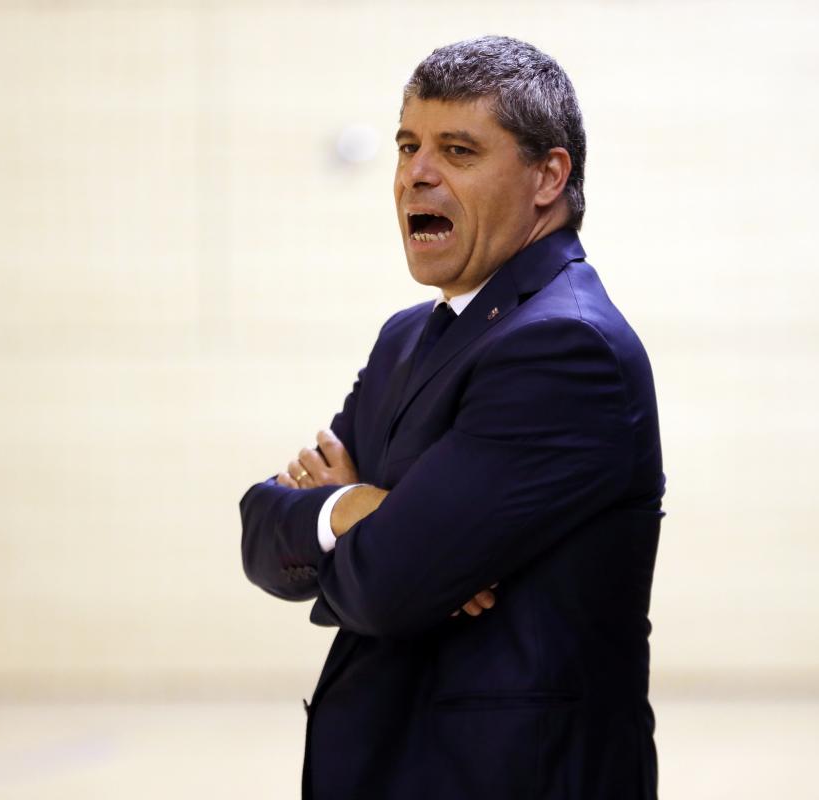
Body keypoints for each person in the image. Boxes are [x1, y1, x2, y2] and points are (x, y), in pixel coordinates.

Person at [239, 35, 664, 800]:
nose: (416, 174)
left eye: (458, 150)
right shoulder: (410, 335)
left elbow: (394, 585)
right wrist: (355, 509)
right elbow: (260, 533)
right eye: (408, 146)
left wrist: (389, 542)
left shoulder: (565, 346)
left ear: (547, 176)